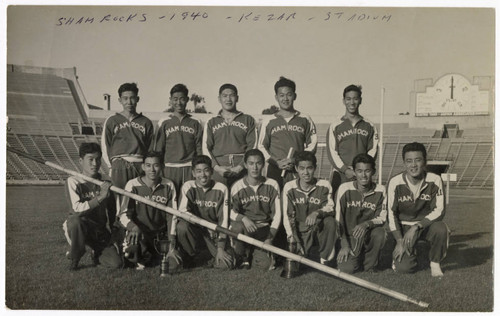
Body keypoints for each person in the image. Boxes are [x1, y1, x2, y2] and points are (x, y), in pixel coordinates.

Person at [387, 142, 448, 277]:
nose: (413, 165)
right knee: (404, 269)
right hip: (403, 228)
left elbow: (439, 210)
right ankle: (403, 253)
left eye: (418, 160)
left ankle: (435, 263)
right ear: (404, 163)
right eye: (409, 161)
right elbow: (391, 214)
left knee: (441, 228)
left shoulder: (435, 180)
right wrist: (399, 240)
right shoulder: (395, 182)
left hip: (423, 226)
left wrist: (417, 226)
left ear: (425, 162)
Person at [63, 142, 122, 271]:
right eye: (90, 160)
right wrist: (100, 197)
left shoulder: (106, 181)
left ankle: (96, 253)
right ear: (80, 160)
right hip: (79, 226)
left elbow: (113, 210)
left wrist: (113, 231)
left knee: (116, 263)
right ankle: (75, 257)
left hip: (99, 230)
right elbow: (76, 210)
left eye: (98, 159)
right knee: (75, 221)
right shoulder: (73, 181)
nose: (95, 164)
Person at [119, 152, 180, 270]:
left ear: (162, 167)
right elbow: (123, 213)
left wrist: (171, 242)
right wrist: (133, 227)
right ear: (143, 167)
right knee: (130, 254)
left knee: (173, 264)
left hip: (159, 234)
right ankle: (135, 253)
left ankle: (151, 256)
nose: (152, 169)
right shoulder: (132, 184)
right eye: (148, 165)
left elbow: (172, 216)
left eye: (156, 165)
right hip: (139, 232)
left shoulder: (168, 185)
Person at [175, 155, 235, 269]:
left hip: (215, 232)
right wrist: (205, 225)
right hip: (195, 230)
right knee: (182, 227)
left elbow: (224, 220)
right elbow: (182, 212)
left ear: (212, 172)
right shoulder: (188, 186)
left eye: (206, 170)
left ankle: (209, 256)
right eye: (198, 171)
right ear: (193, 173)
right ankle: (191, 255)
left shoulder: (221, 188)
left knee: (225, 265)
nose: (202, 175)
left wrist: (221, 248)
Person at [258, 76, 317, 189]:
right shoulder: (268, 120)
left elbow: (312, 145)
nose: (285, 99)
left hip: (297, 170)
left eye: (289, 95)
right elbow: (261, 146)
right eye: (282, 95)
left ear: (295, 96)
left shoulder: (305, 119)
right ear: (276, 97)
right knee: (275, 203)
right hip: (275, 170)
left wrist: (296, 160)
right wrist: (277, 162)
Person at [230, 149, 281, 270]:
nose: (255, 167)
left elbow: (278, 214)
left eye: (258, 163)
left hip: (263, 229)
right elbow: (230, 211)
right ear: (245, 165)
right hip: (245, 227)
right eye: (251, 163)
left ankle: (253, 252)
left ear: (263, 164)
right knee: (237, 227)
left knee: (264, 266)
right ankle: (243, 257)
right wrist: (244, 218)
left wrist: (270, 236)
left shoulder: (272, 184)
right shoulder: (237, 186)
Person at [282, 151, 336, 266]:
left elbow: (330, 208)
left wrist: (316, 213)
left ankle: (325, 258)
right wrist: (291, 237)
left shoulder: (324, 185)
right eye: (302, 168)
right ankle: (306, 252)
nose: (305, 172)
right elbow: (287, 216)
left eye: (309, 168)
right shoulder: (289, 187)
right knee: (297, 265)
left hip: (317, 228)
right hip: (300, 230)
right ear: (296, 168)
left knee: (330, 221)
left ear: (315, 168)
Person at [336, 153, 387, 274]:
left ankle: (370, 265)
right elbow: (338, 219)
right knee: (347, 269)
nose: (363, 175)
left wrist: (367, 224)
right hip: (348, 237)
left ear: (373, 172)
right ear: (354, 171)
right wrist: (344, 245)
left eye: (367, 171)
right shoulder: (344, 188)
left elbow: (383, 217)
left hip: (368, 235)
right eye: (359, 171)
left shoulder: (381, 190)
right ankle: (353, 257)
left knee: (381, 233)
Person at [101, 82, 154, 192]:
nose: (129, 102)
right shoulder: (112, 120)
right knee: (118, 200)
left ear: (137, 99)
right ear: (120, 100)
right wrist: (111, 167)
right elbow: (105, 145)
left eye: (132, 98)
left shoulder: (146, 122)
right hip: (119, 164)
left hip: (139, 165)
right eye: (125, 98)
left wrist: (146, 166)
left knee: (139, 200)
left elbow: (150, 148)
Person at [202, 83, 257, 189]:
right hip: (219, 169)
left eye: (231, 95)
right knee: (219, 200)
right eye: (225, 96)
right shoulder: (211, 121)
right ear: (219, 99)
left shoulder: (248, 119)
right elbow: (206, 147)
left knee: (242, 200)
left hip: (242, 169)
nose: (228, 99)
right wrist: (217, 168)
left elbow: (253, 146)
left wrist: (240, 167)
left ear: (237, 98)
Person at [326, 84, 378, 193]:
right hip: (341, 175)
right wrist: (345, 170)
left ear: (360, 100)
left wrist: (360, 169)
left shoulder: (369, 125)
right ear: (343, 101)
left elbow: (373, 150)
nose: (352, 102)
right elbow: (332, 152)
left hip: (361, 174)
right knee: (338, 206)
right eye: (348, 99)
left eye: (355, 99)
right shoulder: (335, 125)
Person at [154, 83, 203, 196]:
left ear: (187, 100)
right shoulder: (164, 121)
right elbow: (158, 149)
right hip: (169, 168)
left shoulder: (196, 122)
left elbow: (199, 148)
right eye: (175, 99)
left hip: (189, 167)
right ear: (170, 100)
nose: (178, 103)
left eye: (182, 99)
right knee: (169, 197)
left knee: (189, 198)